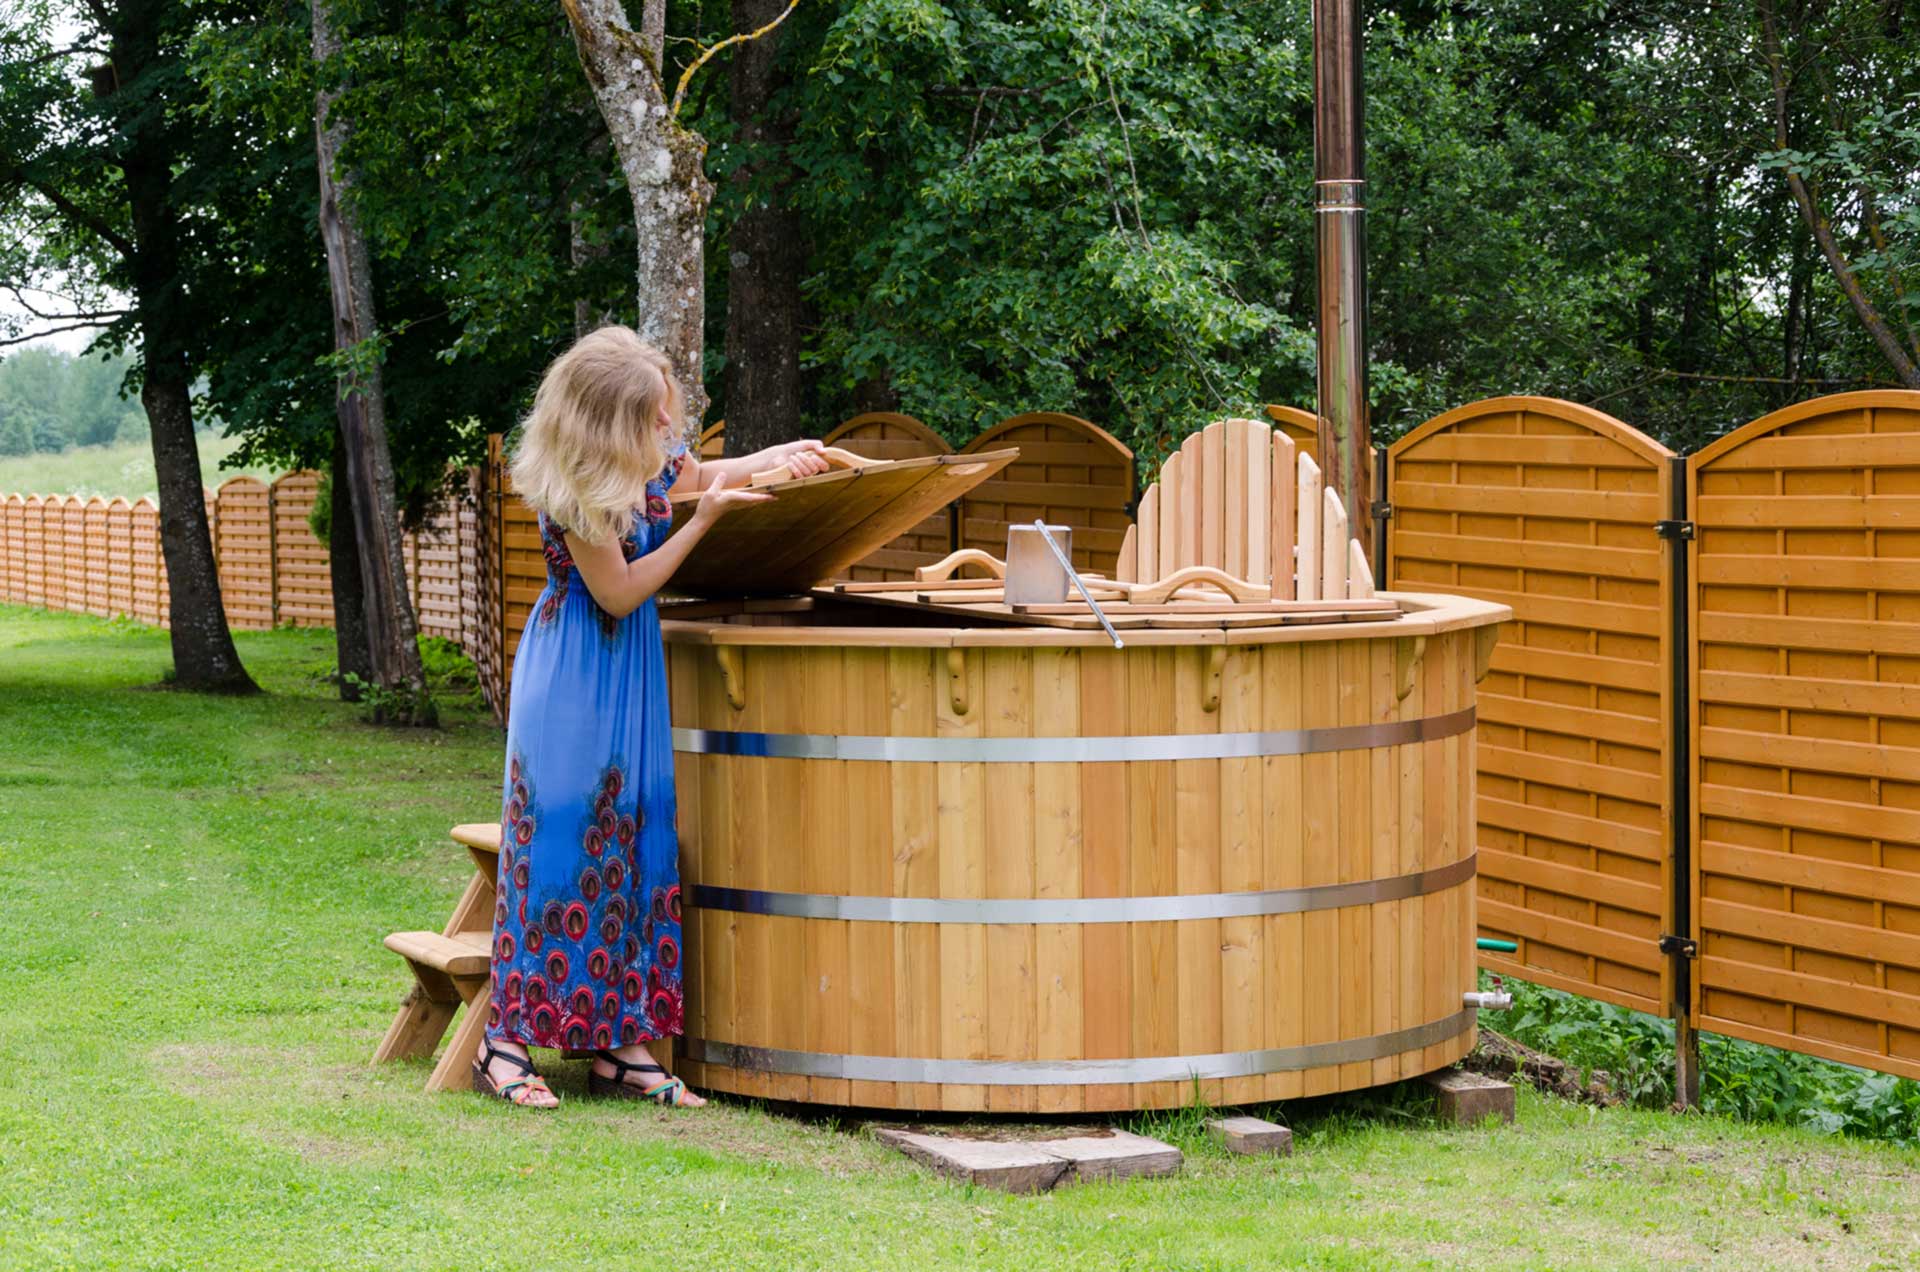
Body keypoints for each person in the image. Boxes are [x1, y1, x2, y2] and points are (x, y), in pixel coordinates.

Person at [472, 326, 829, 1108]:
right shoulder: (577, 489)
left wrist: (784, 455)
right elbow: (620, 592)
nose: (668, 426)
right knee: (560, 851)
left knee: (631, 842)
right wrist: (703, 523)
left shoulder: (647, 457)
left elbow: (702, 472)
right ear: (609, 421)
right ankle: (504, 1041)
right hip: (575, 672)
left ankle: (619, 1045)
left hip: (628, 668)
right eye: (654, 415)